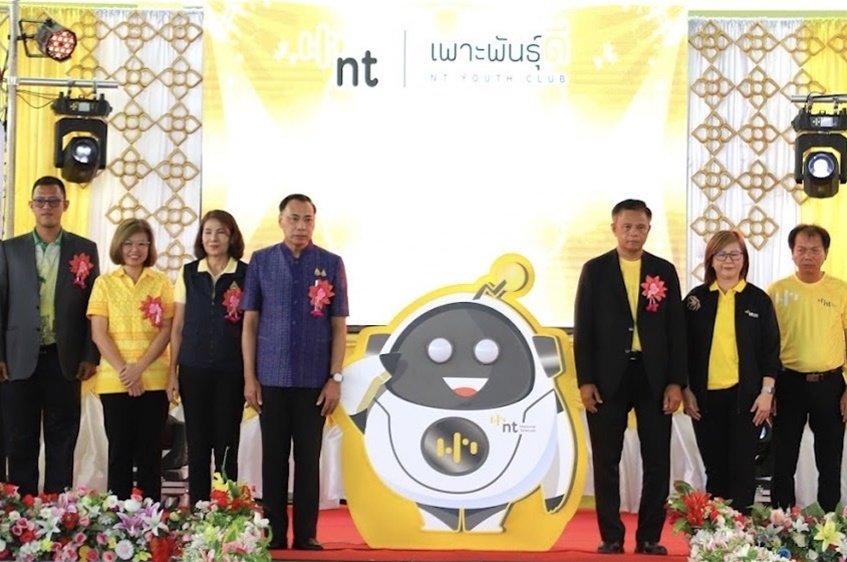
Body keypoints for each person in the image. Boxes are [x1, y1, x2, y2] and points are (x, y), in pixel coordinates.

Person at [574, 198, 685, 556]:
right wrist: (585, 380)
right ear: (614, 228)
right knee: (606, 460)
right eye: (627, 227)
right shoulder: (595, 270)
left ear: (649, 230)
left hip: (654, 378)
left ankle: (649, 537)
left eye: (640, 227)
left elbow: (676, 330)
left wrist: (675, 382)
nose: (633, 234)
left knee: (657, 460)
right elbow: (584, 329)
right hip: (607, 379)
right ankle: (612, 536)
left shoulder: (663, 270)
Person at [242, 194, 348, 551]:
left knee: (308, 459)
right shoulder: (261, 261)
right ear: (281, 221)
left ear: (314, 222)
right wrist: (249, 378)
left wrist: (335, 378)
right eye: (294, 219)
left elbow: (338, 327)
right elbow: (249, 323)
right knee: (272, 460)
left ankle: (306, 534)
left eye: (307, 220)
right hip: (270, 378)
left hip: (314, 382)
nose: (301, 226)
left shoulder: (330, 263)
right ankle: (273, 533)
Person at [0, 175, 100, 496]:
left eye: (53, 201)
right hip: (18, 357)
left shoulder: (84, 249)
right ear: (31, 206)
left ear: (65, 205)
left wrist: (90, 354)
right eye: (40, 201)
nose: (47, 207)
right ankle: (22, 509)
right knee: (20, 438)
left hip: (64, 357)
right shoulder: (9, 250)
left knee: (62, 437)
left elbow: (93, 307)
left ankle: (58, 511)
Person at [682, 230, 780, 514]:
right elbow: (681, 349)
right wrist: (685, 390)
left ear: (744, 259)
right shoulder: (695, 301)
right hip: (704, 399)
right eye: (721, 254)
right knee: (715, 468)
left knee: (743, 468)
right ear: (710, 260)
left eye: (735, 254)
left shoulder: (758, 300)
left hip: (746, 399)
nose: (728, 260)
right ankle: (717, 532)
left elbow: (770, 351)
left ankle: (741, 530)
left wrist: (767, 393)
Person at [87, 218, 174, 500]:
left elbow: (167, 330)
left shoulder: (161, 282)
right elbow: (99, 333)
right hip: (115, 381)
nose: (134, 250)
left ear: (150, 247)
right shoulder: (104, 283)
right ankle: (117, 517)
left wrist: (140, 368)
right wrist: (126, 371)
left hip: (154, 380)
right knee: (119, 452)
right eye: (128, 243)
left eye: (141, 244)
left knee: (151, 453)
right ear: (118, 246)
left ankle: (151, 517)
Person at [168, 210, 248, 505]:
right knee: (198, 444)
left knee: (226, 446)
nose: (213, 238)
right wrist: (172, 372)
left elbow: (251, 327)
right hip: (193, 369)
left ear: (232, 237)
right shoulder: (189, 273)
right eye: (208, 232)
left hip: (232, 371)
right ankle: (199, 510)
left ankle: (225, 511)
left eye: (221, 232)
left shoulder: (246, 274)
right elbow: (178, 326)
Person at [768, 224, 847, 513]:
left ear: (826, 253)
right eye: (801, 250)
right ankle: (781, 519)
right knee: (783, 456)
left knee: (830, 457)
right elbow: (767, 345)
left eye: (815, 250)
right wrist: (769, 390)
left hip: (830, 385)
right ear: (792, 253)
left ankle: (830, 521)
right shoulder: (777, 292)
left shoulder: (841, 290)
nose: (808, 256)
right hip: (788, 384)